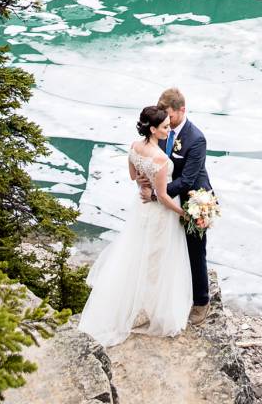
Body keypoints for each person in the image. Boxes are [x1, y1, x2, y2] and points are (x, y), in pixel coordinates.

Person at [78, 105, 192, 346]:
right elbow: (161, 196)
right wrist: (184, 213)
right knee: (156, 260)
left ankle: (136, 305)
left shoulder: (134, 147)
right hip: (160, 214)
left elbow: (133, 176)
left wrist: (143, 179)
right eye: (164, 127)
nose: (168, 129)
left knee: (139, 255)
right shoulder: (160, 159)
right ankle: (149, 310)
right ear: (152, 129)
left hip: (141, 211)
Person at [156, 87, 213, 326]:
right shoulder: (161, 130)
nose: (165, 118)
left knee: (194, 249)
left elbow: (188, 179)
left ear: (182, 110)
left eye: (168, 113)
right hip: (168, 195)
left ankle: (201, 302)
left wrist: (157, 193)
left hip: (194, 198)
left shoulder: (196, 138)